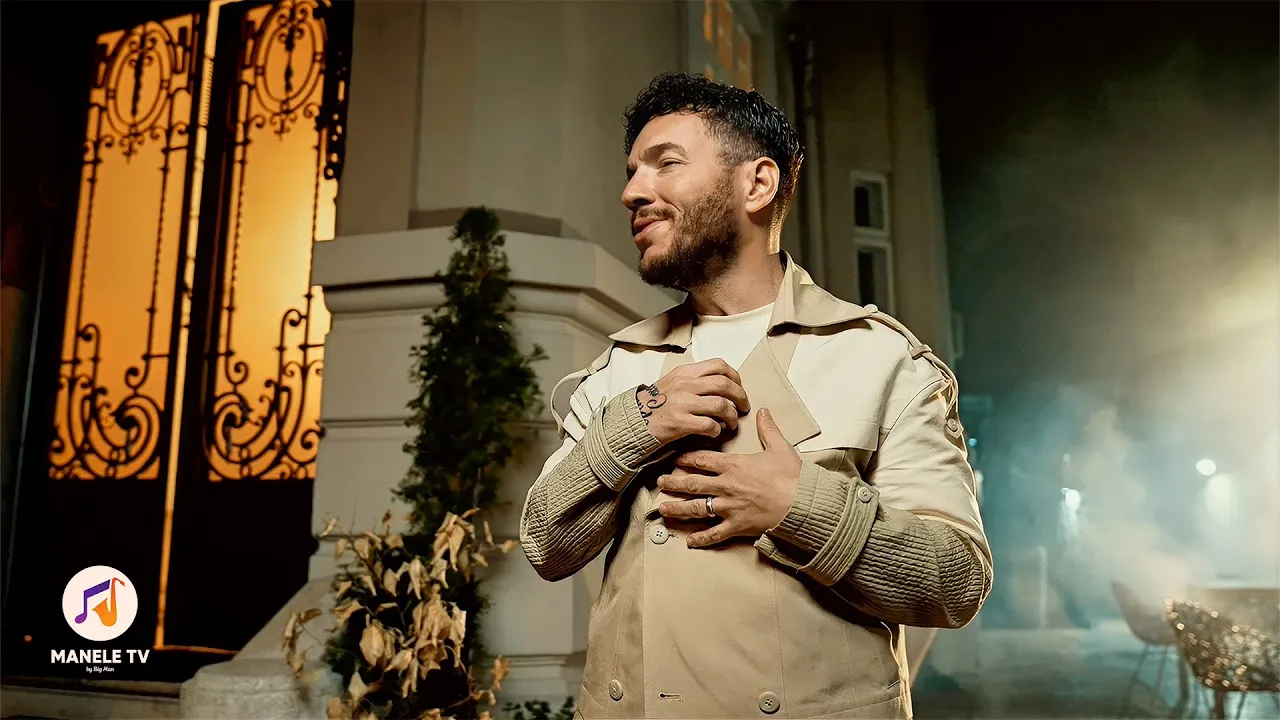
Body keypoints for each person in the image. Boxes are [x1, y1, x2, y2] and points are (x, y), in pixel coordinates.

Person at [520, 72, 991, 720]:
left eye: (666, 164)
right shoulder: (621, 369)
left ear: (758, 184)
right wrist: (634, 429)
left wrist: (798, 507)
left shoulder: (880, 359)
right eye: (632, 172)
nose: (633, 192)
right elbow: (545, 546)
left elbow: (957, 582)